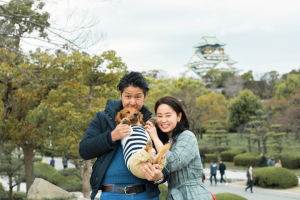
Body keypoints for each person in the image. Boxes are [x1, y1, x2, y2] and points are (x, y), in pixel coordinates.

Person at [79, 72, 169, 200]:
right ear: (120, 95)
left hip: (146, 194)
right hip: (111, 194)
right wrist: (112, 136)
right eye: (128, 96)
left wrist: (161, 176)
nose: (132, 102)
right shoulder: (104, 118)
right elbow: (84, 150)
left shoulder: (152, 122)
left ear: (145, 96)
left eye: (138, 97)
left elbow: (167, 158)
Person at [143, 96, 213, 199]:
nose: (163, 120)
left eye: (168, 115)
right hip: (174, 195)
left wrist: (155, 137)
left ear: (179, 116)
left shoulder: (187, 136)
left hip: (193, 195)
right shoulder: (167, 141)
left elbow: (174, 163)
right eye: (159, 116)